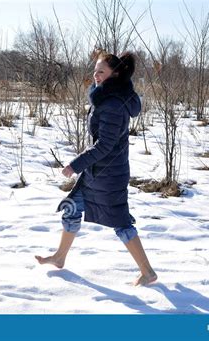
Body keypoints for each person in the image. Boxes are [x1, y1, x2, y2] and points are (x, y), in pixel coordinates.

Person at [35, 51, 157, 286]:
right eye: (95, 71)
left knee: (120, 222)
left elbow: (106, 145)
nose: (96, 76)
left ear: (116, 73)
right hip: (100, 171)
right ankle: (60, 257)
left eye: (101, 71)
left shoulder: (112, 103)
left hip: (108, 174)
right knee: (71, 207)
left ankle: (148, 272)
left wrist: (75, 165)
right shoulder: (109, 97)